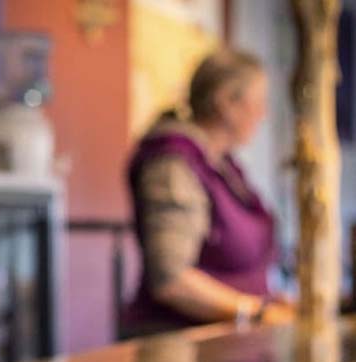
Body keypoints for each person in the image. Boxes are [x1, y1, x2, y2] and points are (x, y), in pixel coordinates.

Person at [125, 49, 296, 337]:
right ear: (226, 102)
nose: (263, 114)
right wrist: (254, 311)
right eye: (258, 101)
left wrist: (268, 302)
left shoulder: (223, 166)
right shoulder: (174, 164)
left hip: (229, 342)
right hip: (180, 346)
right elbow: (171, 281)